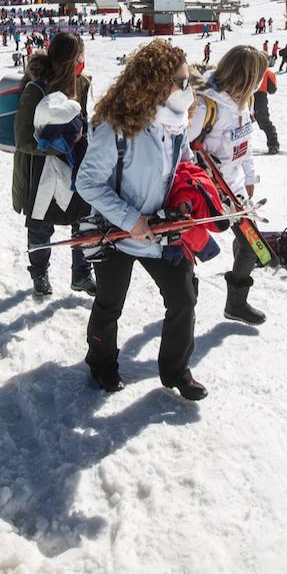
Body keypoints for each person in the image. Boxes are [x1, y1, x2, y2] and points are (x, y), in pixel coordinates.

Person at [76, 39, 207, 400]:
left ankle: (176, 369)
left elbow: (182, 166)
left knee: (184, 297)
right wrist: (132, 220)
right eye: (180, 81)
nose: (187, 87)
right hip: (116, 231)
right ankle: (101, 364)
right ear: (155, 81)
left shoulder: (176, 122)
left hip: (161, 231)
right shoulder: (116, 126)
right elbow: (87, 181)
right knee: (109, 302)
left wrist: (185, 202)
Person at [187, 46, 270, 325]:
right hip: (204, 191)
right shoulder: (206, 105)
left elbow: (245, 144)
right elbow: (181, 147)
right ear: (246, 76)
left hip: (233, 189)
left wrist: (249, 178)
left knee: (252, 244)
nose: (261, 83)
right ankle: (185, 304)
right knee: (189, 247)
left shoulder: (242, 102)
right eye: (258, 76)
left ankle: (237, 304)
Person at [12, 32, 95, 296]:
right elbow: (23, 139)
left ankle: (81, 275)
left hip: (75, 166)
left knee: (83, 220)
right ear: (73, 58)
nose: (83, 60)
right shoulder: (35, 88)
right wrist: (56, 143)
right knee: (40, 225)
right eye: (80, 55)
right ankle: (39, 273)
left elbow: (85, 121)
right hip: (40, 170)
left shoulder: (82, 84)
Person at [253, 66, 280, 154]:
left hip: (245, 97)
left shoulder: (244, 67)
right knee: (264, 121)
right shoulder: (266, 71)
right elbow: (272, 89)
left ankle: (238, 144)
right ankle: (273, 145)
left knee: (242, 122)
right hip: (260, 97)